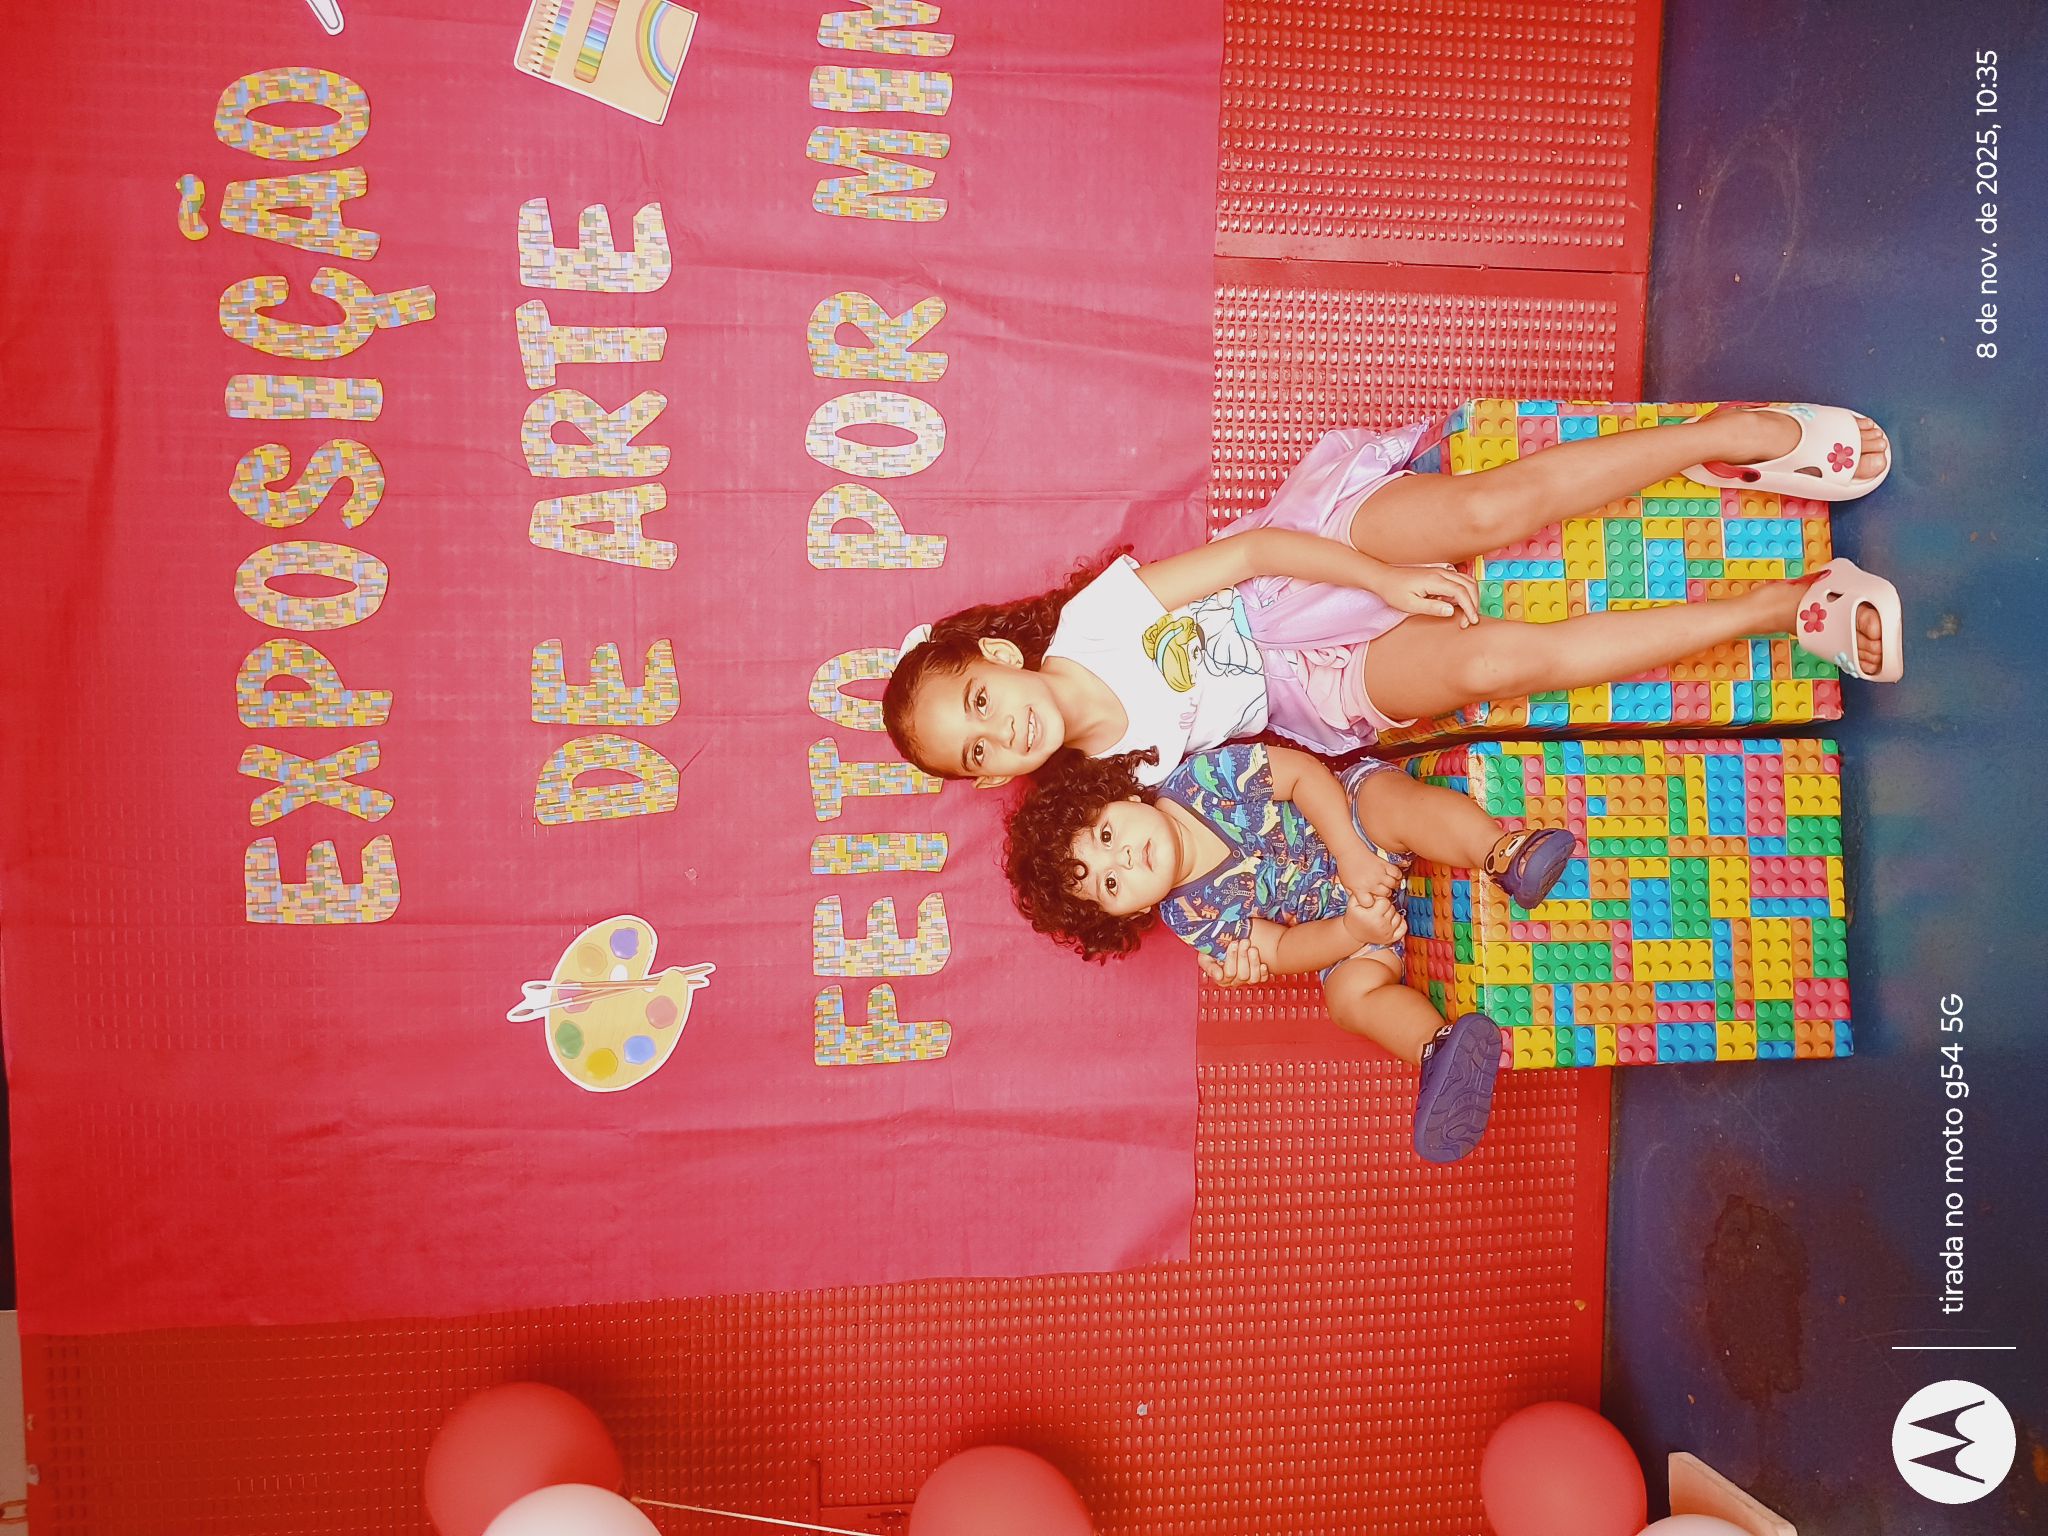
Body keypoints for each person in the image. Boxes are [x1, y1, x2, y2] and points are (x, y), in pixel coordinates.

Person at [883, 404, 1903, 790]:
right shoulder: (1111, 779)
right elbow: (1253, 783)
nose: (998, 733)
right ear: (989, 780)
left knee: (1480, 513)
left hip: (1297, 569)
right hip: (1305, 686)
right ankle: (1785, 608)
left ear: (998, 658)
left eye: (977, 702)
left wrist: (1377, 579)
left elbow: (1248, 557)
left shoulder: (1090, 626)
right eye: (975, 753)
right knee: (1496, 666)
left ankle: (1720, 437)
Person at [1004, 738, 1579, 1162]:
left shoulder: (1200, 782)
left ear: (1123, 795)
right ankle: (1440, 1052)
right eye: (1110, 882)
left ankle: (1503, 852)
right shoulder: (1191, 918)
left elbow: (1303, 776)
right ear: (1129, 913)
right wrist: (1354, 932)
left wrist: (1352, 855)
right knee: (1348, 999)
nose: (1124, 858)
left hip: (1353, 823)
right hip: (1346, 920)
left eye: (1106, 836)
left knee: (1396, 805)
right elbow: (1281, 948)